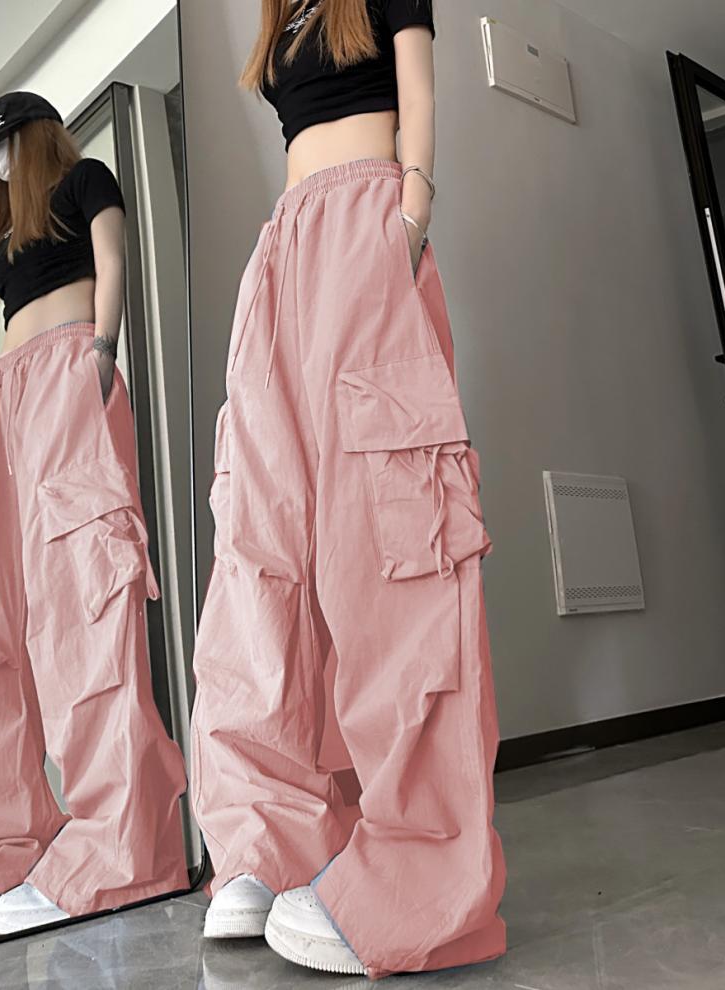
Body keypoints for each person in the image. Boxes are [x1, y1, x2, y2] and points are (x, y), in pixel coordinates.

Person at [190, 0, 507, 980]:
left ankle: (423, 871)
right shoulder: (283, 20)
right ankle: (270, 837)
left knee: (391, 540)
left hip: (368, 221)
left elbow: (420, 96)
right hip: (284, 248)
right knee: (260, 544)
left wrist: (408, 215)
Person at [0, 91, 188, 950]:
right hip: (5, 400)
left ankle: (123, 847)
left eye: (2, 146)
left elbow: (114, 262)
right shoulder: (3, 233)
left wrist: (103, 355)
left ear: (31, 136)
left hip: (71, 373)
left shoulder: (86, 180)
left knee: (85, 606)